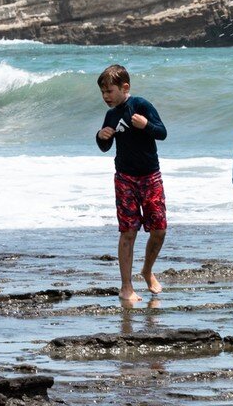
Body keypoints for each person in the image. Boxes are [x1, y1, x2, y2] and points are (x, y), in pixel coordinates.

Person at [95, 64, 168, 303]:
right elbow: (106, 147)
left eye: (109, 91)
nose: (106, 96)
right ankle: (126, 286)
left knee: (159, 230)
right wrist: (100, 137)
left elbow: (162, 132)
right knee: (128, 232)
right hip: (124, 178)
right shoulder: (111, 115)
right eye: (103, 92)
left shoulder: (141, 105)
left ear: (125, 87)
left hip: (150, 177)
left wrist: (146, 125)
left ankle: (147, 270)